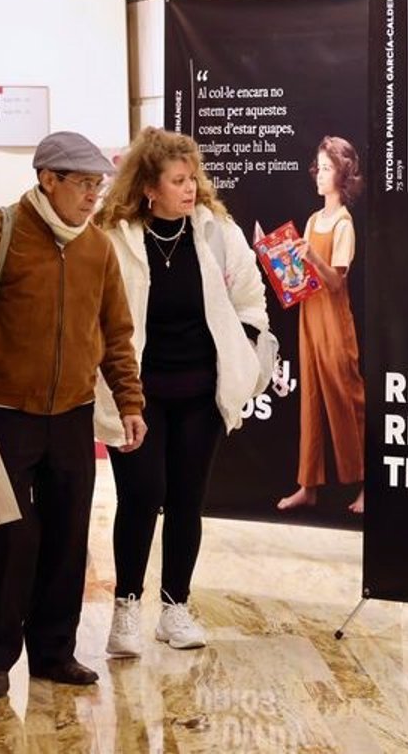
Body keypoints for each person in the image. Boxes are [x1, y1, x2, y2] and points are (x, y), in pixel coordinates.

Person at [0, 131, 148, 699]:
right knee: (10, 539)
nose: (93, 196)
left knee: (68, 537)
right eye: (83, 184)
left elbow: (117, 335)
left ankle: (54, 653)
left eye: (98, 184)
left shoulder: (96, 248)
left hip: (73, 415)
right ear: (48, 180)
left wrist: (129, 401)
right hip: (2, 415)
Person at [93, 128, 276, 657]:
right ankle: (126, 609)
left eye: (192, 178)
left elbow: (251, 296)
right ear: (149, 187)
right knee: (140, 496)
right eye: (177, 180)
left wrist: (244, 345)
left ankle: (176, 607)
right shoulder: (115, 237)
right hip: (137, 397)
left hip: (201, 394)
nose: (190, 188)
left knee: (187, 500)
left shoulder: (217, 231)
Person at [276, 136, 368, 514]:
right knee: (311, 400)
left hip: (333, 321)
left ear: (342, 175)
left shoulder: (344, 223)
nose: (319, 174)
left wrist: (311, 255)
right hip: (309, 317)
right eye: (319, 167)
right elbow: (303, 279)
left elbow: (335, 282)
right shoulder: (314, 220)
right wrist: (279, 261)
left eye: (327, 168)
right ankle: (307, 485)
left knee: (346, 401)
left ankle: (366, 485)